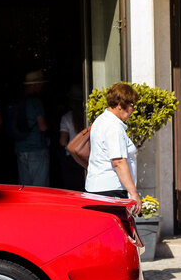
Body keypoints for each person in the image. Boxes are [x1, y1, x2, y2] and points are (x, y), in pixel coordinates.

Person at [85, 83, 141, 215]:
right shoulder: (114, 127)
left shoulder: (101, 120)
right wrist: (133, 194)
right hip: (111, 190)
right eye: (131, 105)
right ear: (120, 105)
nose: (133, 109)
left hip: (99, 187)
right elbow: (119, 162)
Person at [12, 70, 49, 186]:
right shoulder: (35, 101)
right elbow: (43, 127)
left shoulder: (18, 99)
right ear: (35, 85)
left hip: (20, 146)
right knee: (39, 185)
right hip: (36, 147)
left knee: (24, 185)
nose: (42, 86)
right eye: (41, 84)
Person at [59, 85, 86, 190]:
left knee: (71, 188)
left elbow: (62, 141)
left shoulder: (66, 117)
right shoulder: (86, 116)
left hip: (71, 156)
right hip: (85, 154)